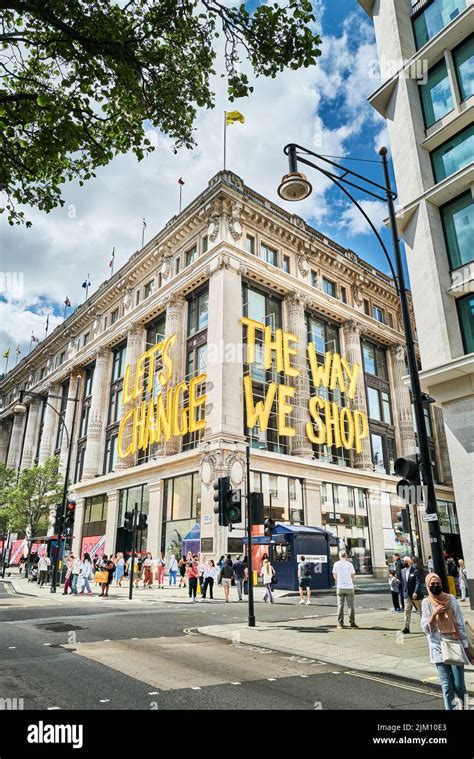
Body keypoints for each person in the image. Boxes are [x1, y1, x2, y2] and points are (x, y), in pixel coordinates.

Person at [421, 572, 473, 710]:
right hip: (437, 647)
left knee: (459, 686)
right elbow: (426, 629)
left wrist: (466, 646)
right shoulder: (426, 603)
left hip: (454, 645)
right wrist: (434, 614)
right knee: (447, 686)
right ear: (427, 585)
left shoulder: (450, 599)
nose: (435, 586)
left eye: (437, 584)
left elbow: (460, 623)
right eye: (432, 584)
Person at [332, 550, 358, 629]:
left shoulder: (336, 564)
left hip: (340, 587)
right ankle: (352, 623)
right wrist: (349, 580)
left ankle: (340, 624)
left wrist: (339, 580)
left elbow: (334, 575)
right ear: (346, 556)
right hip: (349, 587)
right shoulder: (349, 564)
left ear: (340, 556)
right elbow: (353, 575)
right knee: (351, 606)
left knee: (340, 605)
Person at [400, 555, 424, 634]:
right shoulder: (402, 571)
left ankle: (425, 626)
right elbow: (403, 583)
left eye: (406, 561)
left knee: (421, 611)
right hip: (407, 594)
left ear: (410, 562)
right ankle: (406, 627)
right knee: (406, 611)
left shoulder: (415, 570)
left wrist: (415, 592)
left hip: (415, 594)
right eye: (404, 561)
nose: (404, 563)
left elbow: (418, 582)